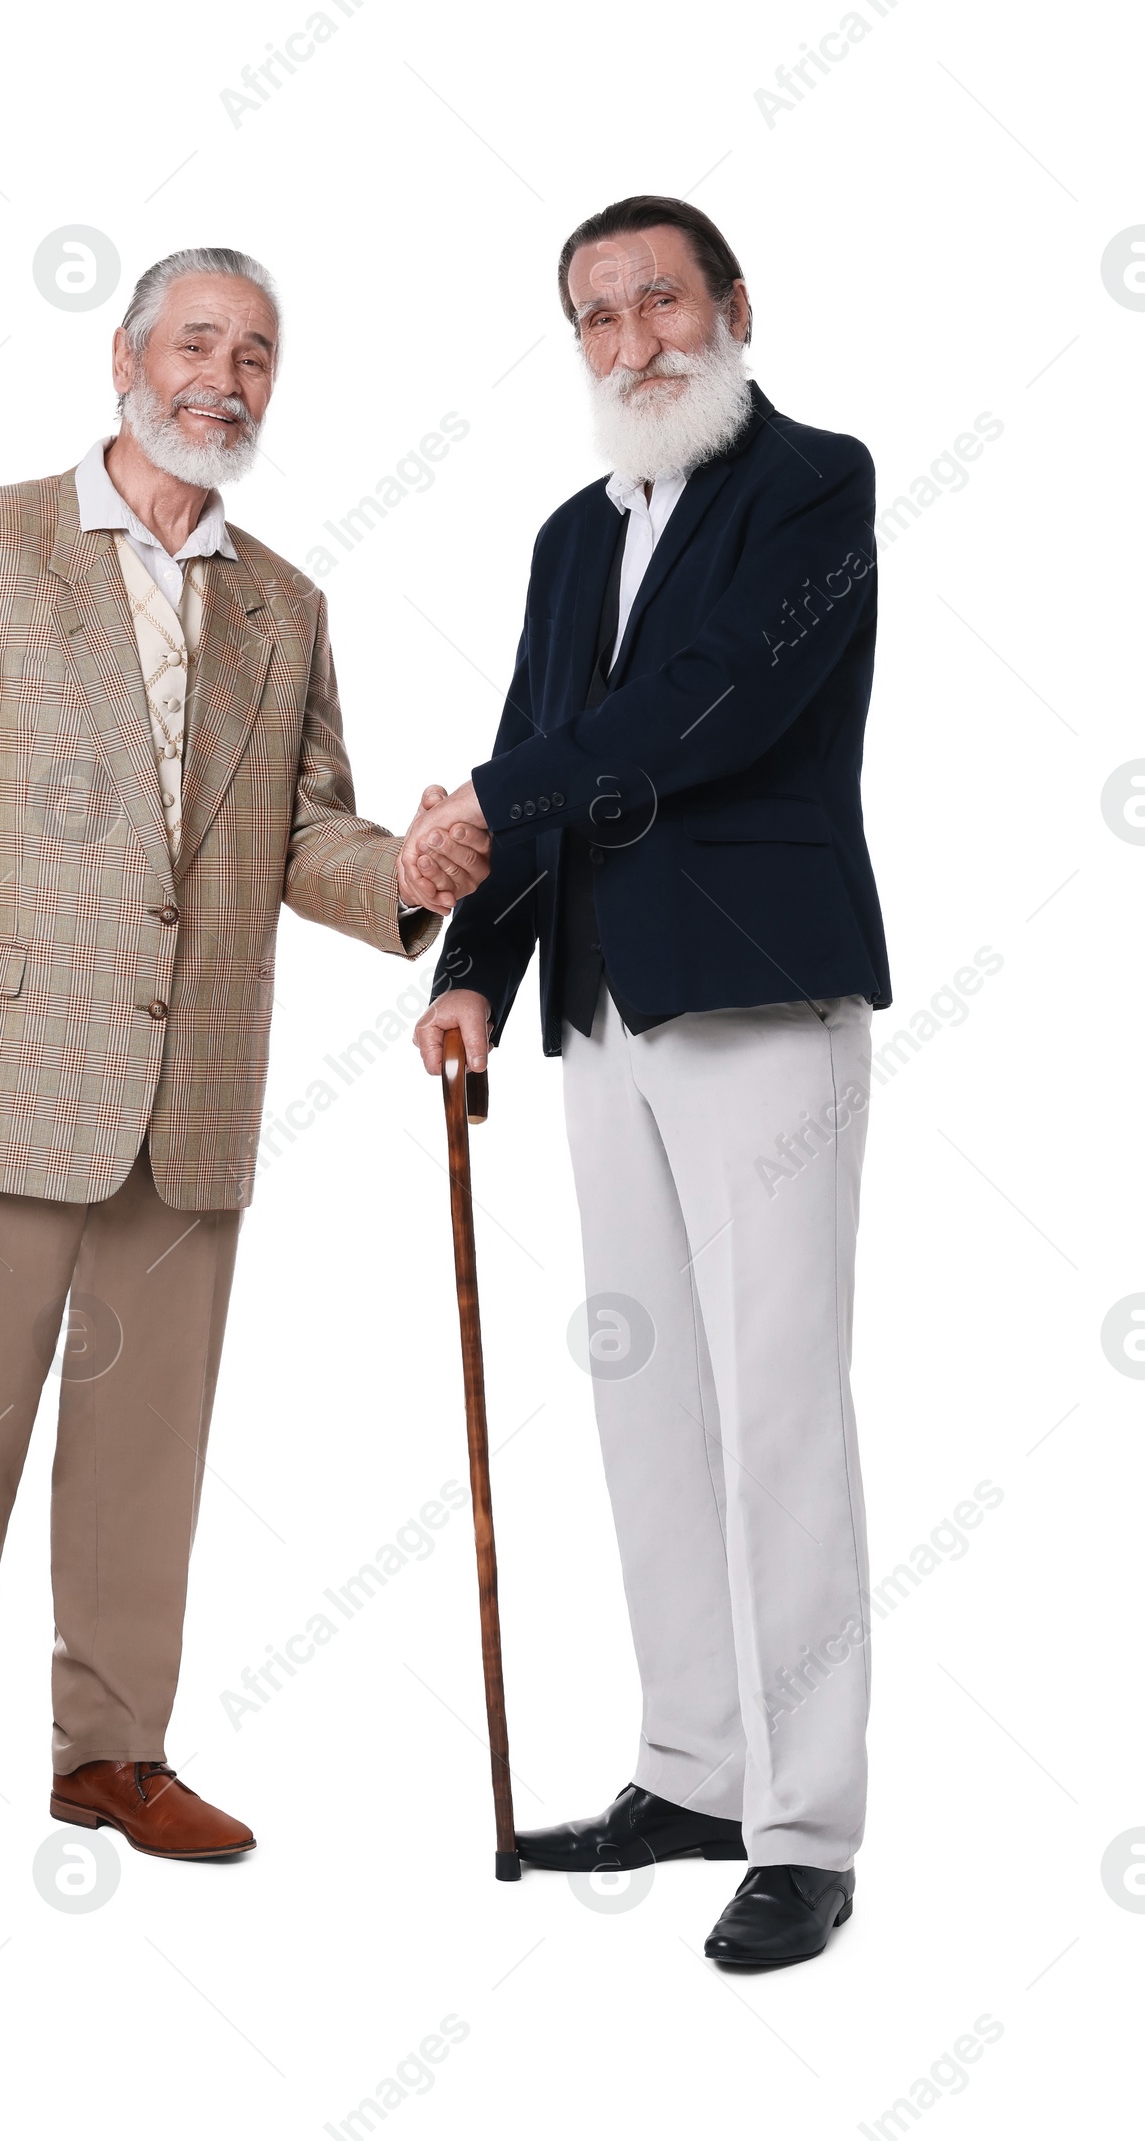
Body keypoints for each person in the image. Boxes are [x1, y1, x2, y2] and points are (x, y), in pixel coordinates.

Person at [0, 246, 488, 1878]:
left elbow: (305, 831)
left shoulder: (286, 603)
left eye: (260, 354)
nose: (226, 375)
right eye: (200, 342)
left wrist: (409, 872)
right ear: (127, 358)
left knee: (148, 1447)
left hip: (197, 1083)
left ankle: (114, 1751)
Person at [411, 197, 889, 1966]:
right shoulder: (565, 534)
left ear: (734, 304)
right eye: (598, 316)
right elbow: (548, 751)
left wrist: (480, 795)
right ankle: (692, 1768)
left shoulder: (812, 483)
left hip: (761, 1000)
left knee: (777, 1409)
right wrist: (473, 973)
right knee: (644, 1403)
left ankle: (808, 1822)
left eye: (661, 300)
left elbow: (716, 709)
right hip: (603, 1019)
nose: (635, 341)